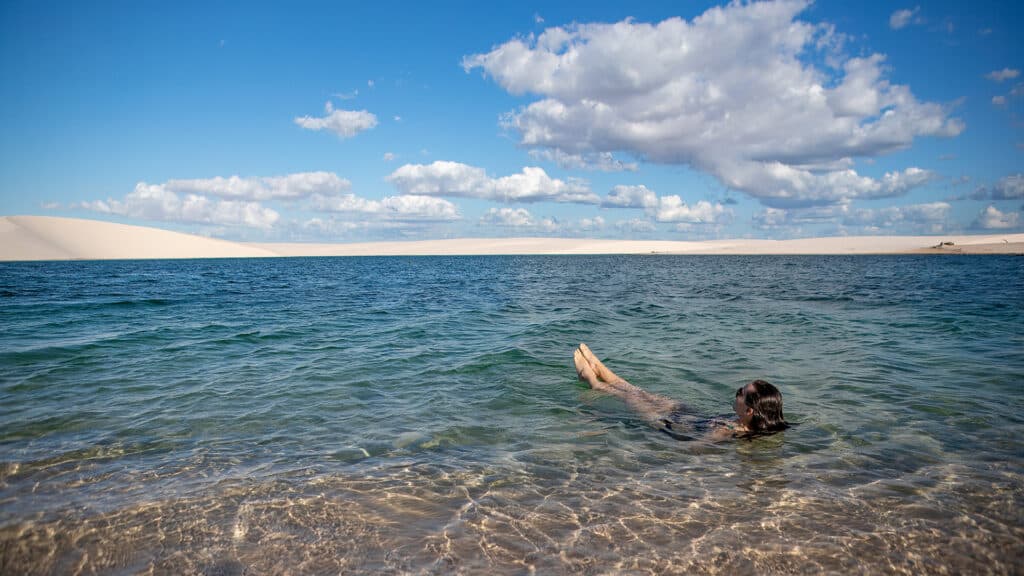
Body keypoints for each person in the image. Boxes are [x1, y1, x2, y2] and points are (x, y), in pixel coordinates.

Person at [572, 343, 788, 440]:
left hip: (668, 424)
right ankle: (601, 369)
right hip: (689, 414)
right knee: (640, 392)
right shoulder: (743, 422)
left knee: (627, 395)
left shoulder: (725, 432)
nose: (737, 392)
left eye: (741, 392)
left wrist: (658, 432)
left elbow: (693, 449)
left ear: (750, 411)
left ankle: (593, 381)